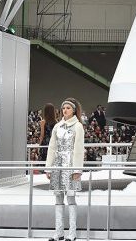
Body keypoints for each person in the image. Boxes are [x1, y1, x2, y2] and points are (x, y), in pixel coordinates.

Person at [46, 98, 85, 241]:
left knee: (71, 198)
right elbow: (52, 147)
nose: (65, 110)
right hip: (57, 165)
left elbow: (79, 149)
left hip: (71, 165)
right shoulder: (57, 126)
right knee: (58, 198)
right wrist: (48, 168)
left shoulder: (78, 126)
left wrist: (77, 170)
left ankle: (72, 233)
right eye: (63, 108)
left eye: (68, 108)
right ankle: (59, 232)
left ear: (73, 110)